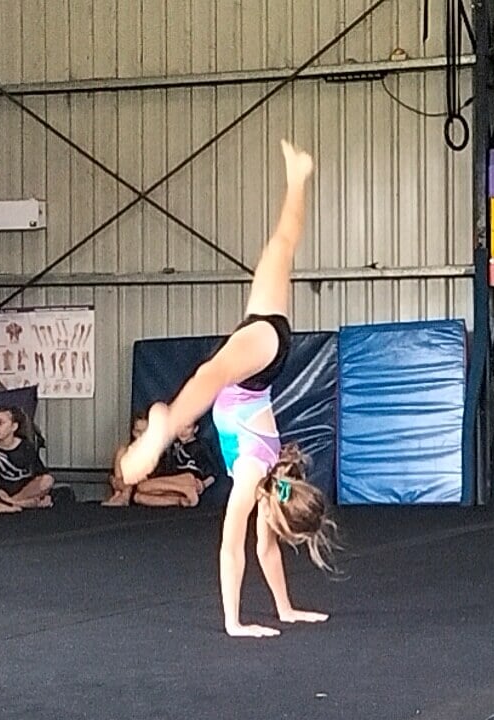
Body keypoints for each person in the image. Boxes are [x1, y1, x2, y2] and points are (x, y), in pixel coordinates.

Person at [120, 139, 336, 638]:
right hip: (253, 368)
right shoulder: (255, 481)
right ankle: (163, 429)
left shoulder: (270, 486)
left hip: (268, 349)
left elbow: (261, 547)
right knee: (208, 377)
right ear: (281, 511)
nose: (277, 541)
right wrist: (233, 622)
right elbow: (229, 547)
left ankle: (298, 177)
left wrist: (284, 610)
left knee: (281, 246)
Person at [105, 414, 217, 508]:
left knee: (141, 487)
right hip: (170, 484)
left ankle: (185, 489)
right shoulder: (174, 445)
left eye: (187, 428)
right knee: (138, 497)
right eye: (137, 431)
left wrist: (203, 484)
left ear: (196, 429)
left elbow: (213, 472)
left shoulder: (200, 446)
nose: (183, 432)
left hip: (189, 479)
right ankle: (180, 500)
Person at [0, 405, 54, 508]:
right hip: (2, 490)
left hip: (24, 489)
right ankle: (26, 503)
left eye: (1, 423)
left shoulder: (26, 446)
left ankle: (13, 502)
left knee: (48, 480)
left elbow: (40, 473)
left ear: (14, 427)